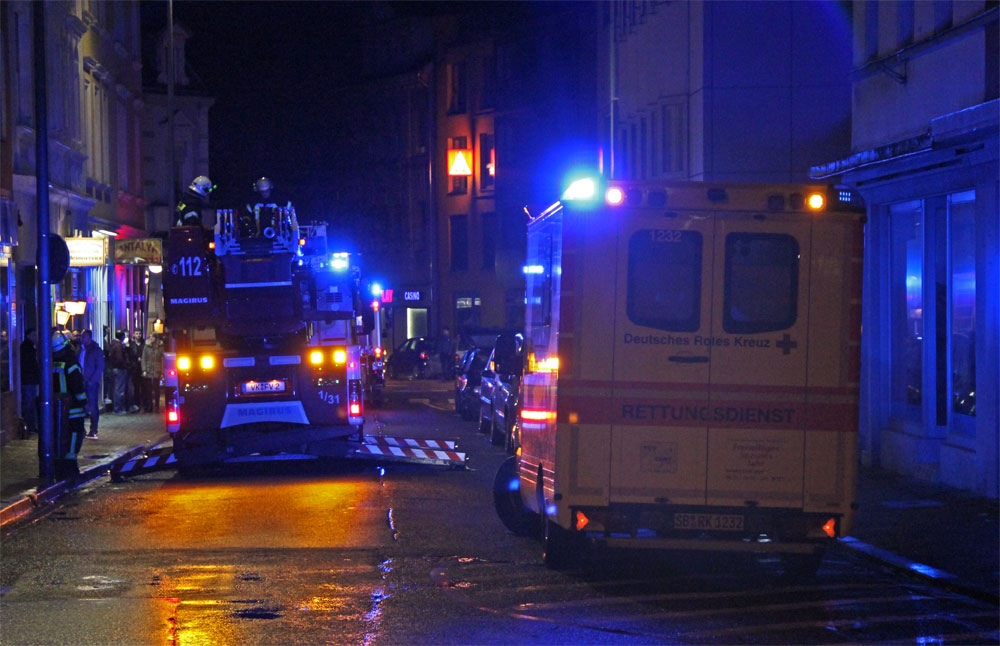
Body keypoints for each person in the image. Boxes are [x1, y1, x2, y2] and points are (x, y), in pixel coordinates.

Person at [50, 330, 87, 479]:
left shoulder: (51, 362)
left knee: (59, 437)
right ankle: (70, 468)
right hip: (73, 408)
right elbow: (77, 385)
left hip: (57, 408)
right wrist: (84, 402)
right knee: (74, 436)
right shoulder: (71, 363)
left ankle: (59, 468)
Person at [78, 329, 104, 439]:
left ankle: (93, 430)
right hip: (81, 381)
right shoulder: (81, 349)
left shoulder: (96, 350)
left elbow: (100, 367)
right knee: (81, 405)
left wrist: (92, 380)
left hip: (91, 382)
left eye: (84, 337)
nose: (82, 339)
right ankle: (82, 430)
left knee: (93, 406)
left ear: (89, 337)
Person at [19, 328, 40, 434]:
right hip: (28, 380)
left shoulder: (31, 347)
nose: (36, 337)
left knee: (31, 403)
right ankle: (29, 426)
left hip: (30, 380)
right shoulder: (27, 348)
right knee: (29, 403)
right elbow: (29, 365)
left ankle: (31, 425)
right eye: (34, 335)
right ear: (28, 335)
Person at [141, 333, 164, 413]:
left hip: (157, 369)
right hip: (148, 369)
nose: (151, 338)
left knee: (156, 388)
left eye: (152, 337)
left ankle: (157, 405)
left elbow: (162, 358)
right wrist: (144, 370)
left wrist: (162, 371)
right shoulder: (146, 347)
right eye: (150, 337)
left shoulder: (160, 347)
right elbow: (144, 358)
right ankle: (149, 406)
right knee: (148, 389)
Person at [108, 330, 128, 414]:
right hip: (120, 369)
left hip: (114, 368)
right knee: (120, 389)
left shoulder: (112, 344)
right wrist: (125, 364)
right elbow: (120, 358)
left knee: (116, 388)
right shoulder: (119, 345)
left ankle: (116, 407)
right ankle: (118, 408)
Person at [127, 331, 144, 413]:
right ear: (134, 335)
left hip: (142, 367)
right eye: (136, 334)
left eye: (139, 334)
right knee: (135, 387)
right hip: (134, 368)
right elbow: (129, 355)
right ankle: (136, 403)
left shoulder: (143, 344)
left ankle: (142, 403)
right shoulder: (131, 344)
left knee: (143, 386)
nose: (138, 335)